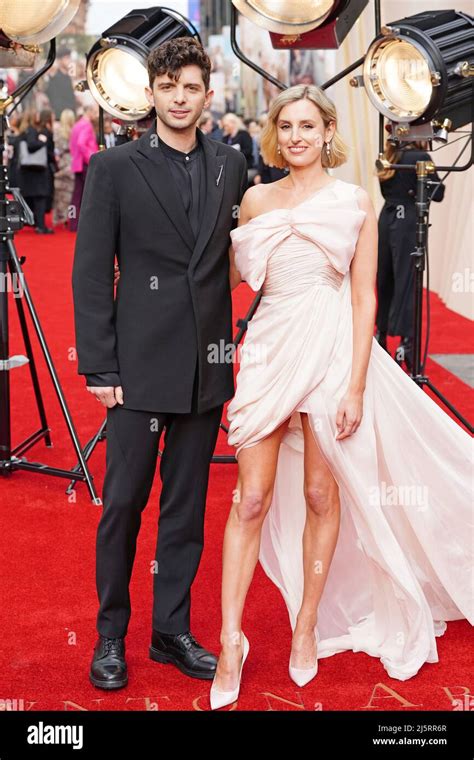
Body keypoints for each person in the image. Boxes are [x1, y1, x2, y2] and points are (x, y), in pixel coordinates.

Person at [208, 84, 472, 710]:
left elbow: (364, 297)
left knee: (322, 493)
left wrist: (355, 382)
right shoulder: (254, 199)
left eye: (308, 125)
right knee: (249, 499)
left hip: (330, 350)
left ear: (328, 131)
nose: (297, 136)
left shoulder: (355, 200)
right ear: (276, 134)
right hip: (271, 347)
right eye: (286, 126)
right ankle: (228, 640)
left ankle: (306, 626)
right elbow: (231, 280)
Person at [72, 37, 247, 691]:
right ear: (151, 93)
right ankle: (110, 637)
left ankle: (170, 631)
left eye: (191, 86)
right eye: (168, 85)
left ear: (207, 94)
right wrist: (101, 368)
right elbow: (91, 272)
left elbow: (238, 255)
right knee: (122, 505)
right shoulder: (117, 168)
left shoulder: (231, 164)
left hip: (204, 370)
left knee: (187, 509)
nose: (179, 97)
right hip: (136, 373)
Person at [375, 137, 445, 369]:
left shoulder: (387, 157)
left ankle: (380, 336)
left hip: (387, 218)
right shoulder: (420, 158)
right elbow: (437, 193)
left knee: (384, 280)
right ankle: (407, 343)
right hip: (408, 222)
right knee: (407, 281)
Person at [16, 109, 55, 234]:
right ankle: (40, 225)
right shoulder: (32, 130)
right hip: (37, 170)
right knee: (40, 198)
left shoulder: (23, 132)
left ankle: (35, 223)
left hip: (29, 170)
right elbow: (32, 146)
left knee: (35, 198)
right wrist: (42, 142)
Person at [69, 103, 99, 232]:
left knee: (77, 196)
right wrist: (91, 158)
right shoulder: (86, 125)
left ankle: (73, 223)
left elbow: (74, 144)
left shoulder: (77, 125)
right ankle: (84, 223)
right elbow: (82, 144)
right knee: (88, 195)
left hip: (77, 163)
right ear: (90, 112)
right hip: (85, 163)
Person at [53, 108, 75, 227]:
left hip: (61, 162)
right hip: (72, 162)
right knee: (71, 193)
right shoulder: (74, 131)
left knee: (59, 192)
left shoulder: (57, 132)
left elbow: (55, 149)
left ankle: (57, 217)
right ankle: (70, 217)